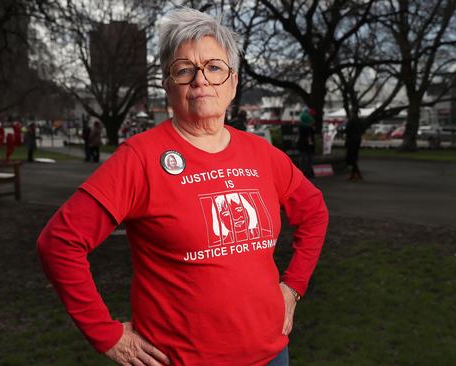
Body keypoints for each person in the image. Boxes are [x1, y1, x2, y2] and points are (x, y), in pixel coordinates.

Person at [37, 8, 329, 366]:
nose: (200, 80)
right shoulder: (140, 158)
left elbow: (314, 211)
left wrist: (293, 286)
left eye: (214, 67)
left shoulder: (262, 154)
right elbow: (59, 243)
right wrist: (106, 334)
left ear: (233, 83)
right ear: (168, 85)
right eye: (184, 69)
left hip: (270, 355)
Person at [296, 108, 315, 178]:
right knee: (309, 158)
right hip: (308, 145)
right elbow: (310, 137)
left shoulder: (300, 127)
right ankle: (309, 172)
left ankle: (302, 172)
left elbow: (298, 136)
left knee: (302, 158)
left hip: (302, 144)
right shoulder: (310, 127)